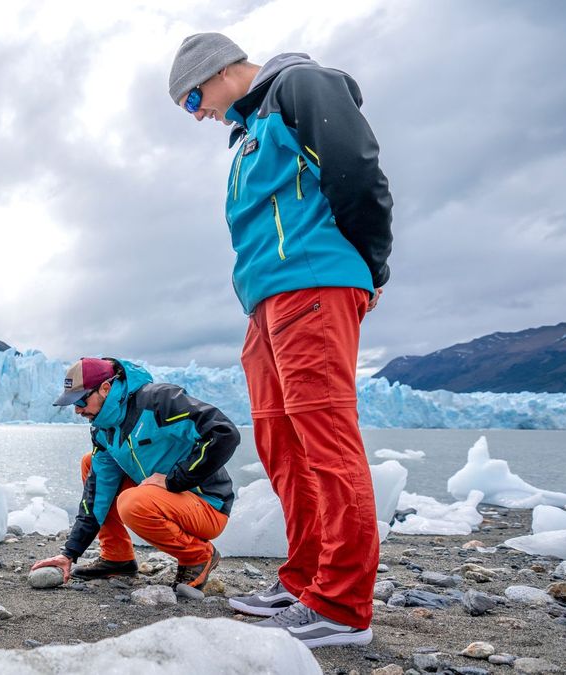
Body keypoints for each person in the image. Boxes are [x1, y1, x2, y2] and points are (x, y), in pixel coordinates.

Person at [168, 33, 394, 647]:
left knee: (325, 439)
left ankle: (342, 606)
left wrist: (371, 267)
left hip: (313, 284)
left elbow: (357, 173)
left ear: (218, 70)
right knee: (282, 443)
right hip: (268, 302)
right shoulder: (248, 133)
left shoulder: (301, 85)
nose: (199, 116)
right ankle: (304, 580)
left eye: (193, 101)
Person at [31, 358, 239, 591]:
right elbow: (97, 494)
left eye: (81, 401)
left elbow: (224, 433)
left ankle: (198, 556)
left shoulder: (158, 402)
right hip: (165, 499)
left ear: (105, 388)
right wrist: (69, 553)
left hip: (207, 506)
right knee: (91, 464)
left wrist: (174, 480)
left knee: (132, 503)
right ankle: (116, 557)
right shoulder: (103, 430)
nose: (77, 410)